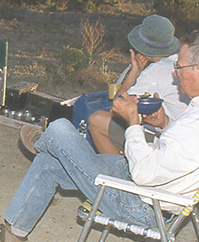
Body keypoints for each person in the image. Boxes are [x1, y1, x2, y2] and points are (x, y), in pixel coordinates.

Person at [0, 30, 199, 242]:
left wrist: (133, 123)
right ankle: (13, 238)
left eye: (179, 67)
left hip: (141, 202)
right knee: (48, 164)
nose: (176, 74)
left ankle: (44, 141)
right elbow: (179, 153)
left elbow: (144, 173)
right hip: (149, 184)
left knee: (60, 129)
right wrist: (165, 123)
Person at [20, 14, 185, 158]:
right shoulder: (177, 62)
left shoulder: (155, 72)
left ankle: (110, 170)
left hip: (161, 140)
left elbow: (118, 105)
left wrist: (134, 72)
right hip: (175, 134)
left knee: (97, 120)